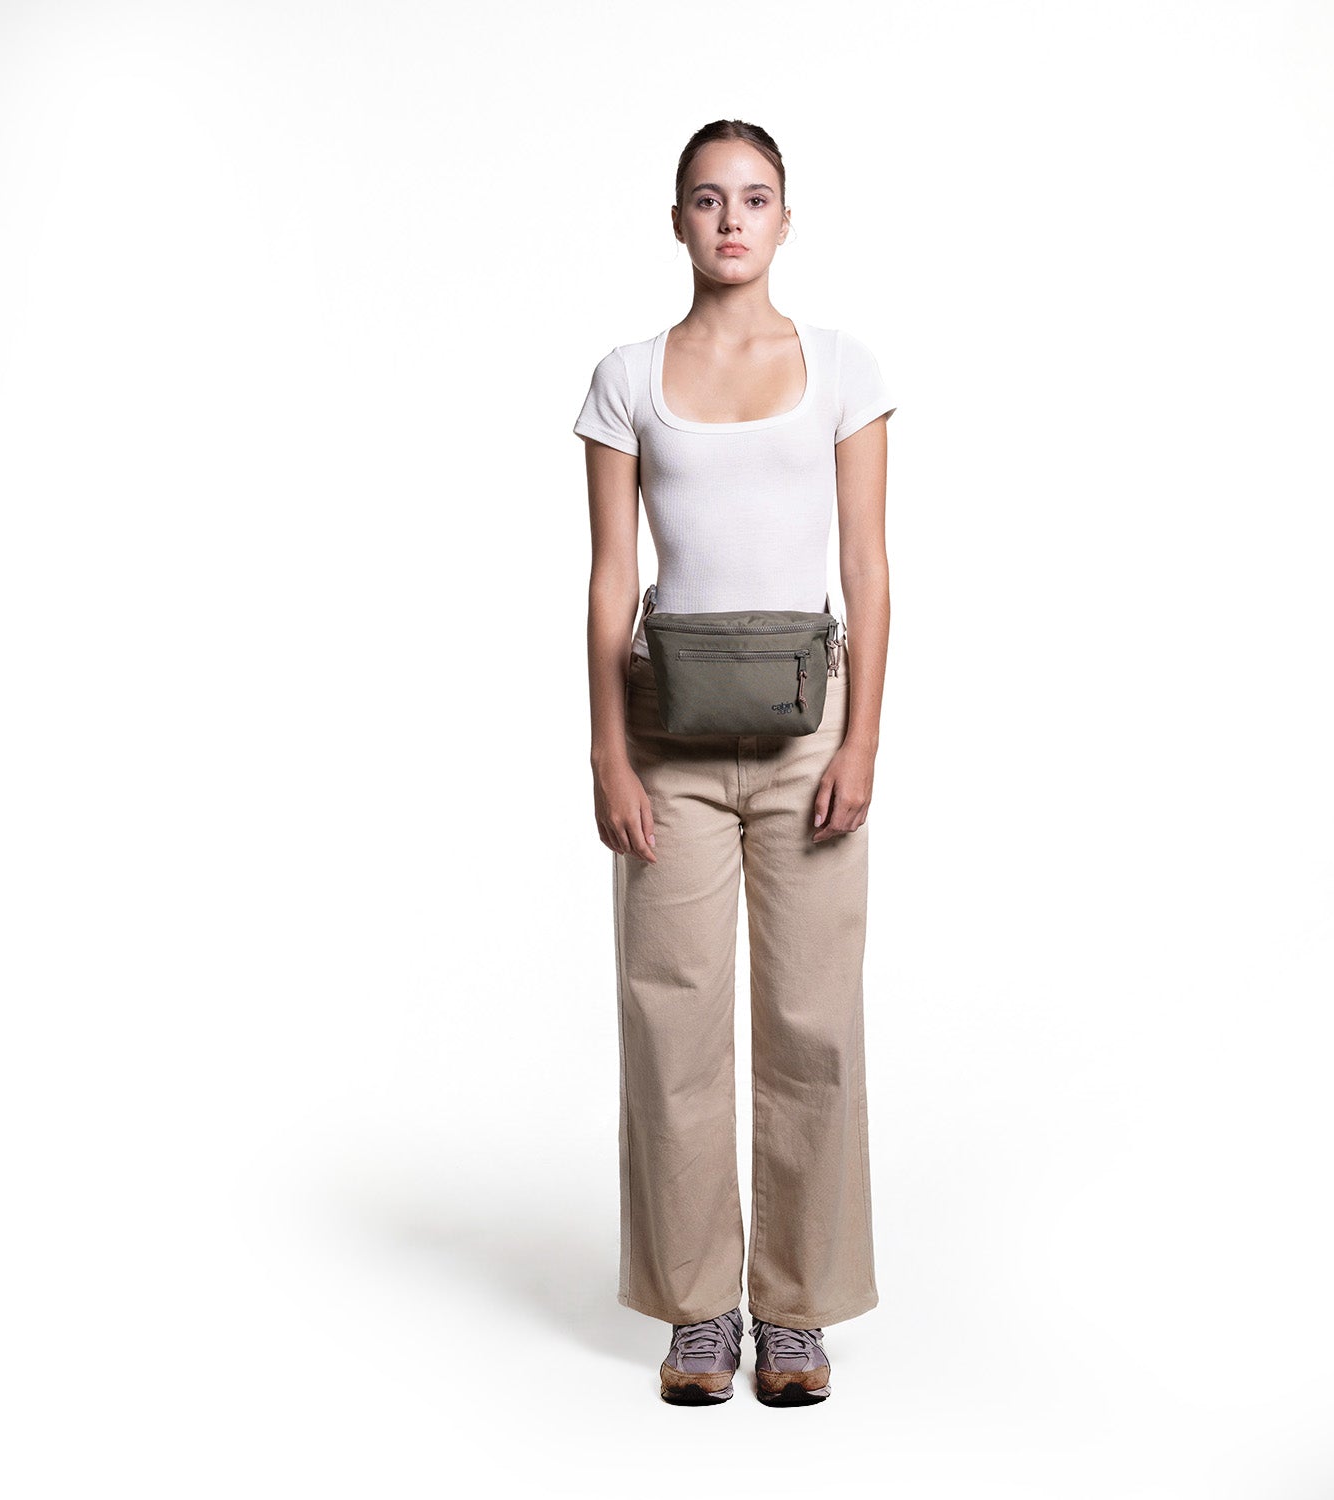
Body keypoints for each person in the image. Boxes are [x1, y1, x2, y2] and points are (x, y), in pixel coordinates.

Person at [574, 119, 894, 1407]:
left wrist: (863, 739)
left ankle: (798, 1311)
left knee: (812, 1023)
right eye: (708, 201)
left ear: (785, 219)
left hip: (810, 732)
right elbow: (611, 578)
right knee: (673, 1023)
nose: (731, 222)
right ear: (677, 220)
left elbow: (866, 565)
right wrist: (607, 753)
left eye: (754, 199)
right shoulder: (626, 378)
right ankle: (700, 1310)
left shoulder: (844, 370)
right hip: (668, 739)